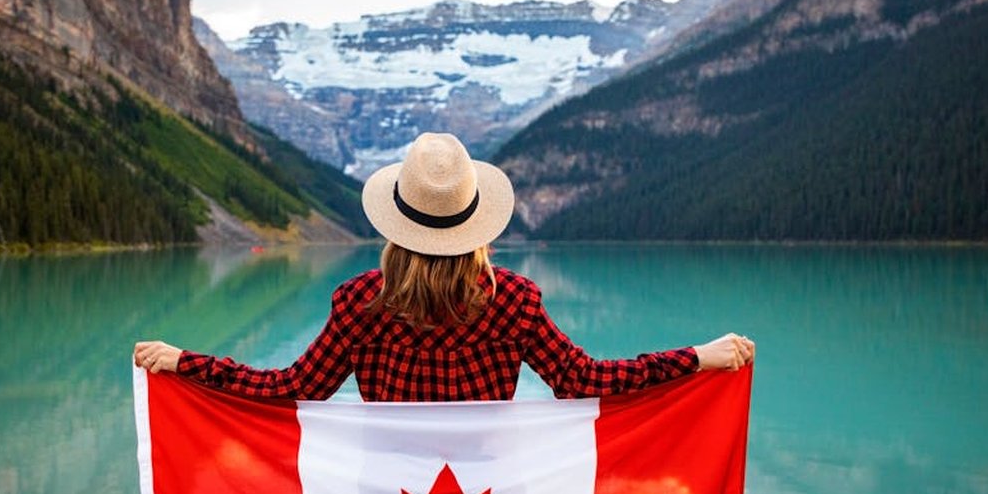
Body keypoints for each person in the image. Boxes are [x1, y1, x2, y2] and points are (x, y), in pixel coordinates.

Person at [134, 132, 753, 401]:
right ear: (476, 224)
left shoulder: (359, 303)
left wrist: (187, 363)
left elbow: (290, 390)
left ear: (395, 222)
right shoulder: (514, 299)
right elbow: (583, 380)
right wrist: (699, 357)